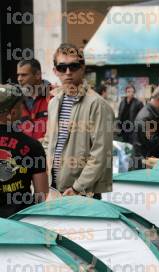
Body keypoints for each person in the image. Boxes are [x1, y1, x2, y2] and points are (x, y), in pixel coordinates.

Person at [42, 43, 114, 198]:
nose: (68, 72)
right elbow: (48, 143)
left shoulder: (98, 105)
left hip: (83, 193)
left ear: (83, 68)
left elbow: (101, 154)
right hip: (53, 190)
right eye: (62, 67)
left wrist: (77, 188)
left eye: (73, 66)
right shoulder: (53, 103)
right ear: (55, 71)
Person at [0, 83, 48, 217]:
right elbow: (41, 195)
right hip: (21, 222)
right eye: (21, 104)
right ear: (13, 112)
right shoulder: (33, 146)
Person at [16, 58, 51, 141]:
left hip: (47, 151)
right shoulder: (16, 99)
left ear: (38, 75)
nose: (19, 79)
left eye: (24, 75)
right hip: (24, 152)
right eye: (18, 75)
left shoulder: (55, 96)